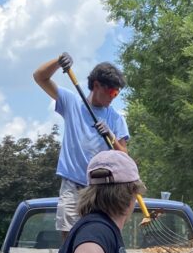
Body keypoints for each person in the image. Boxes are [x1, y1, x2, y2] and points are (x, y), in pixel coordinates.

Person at [34, 53, 129, 240]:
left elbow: (124, 156)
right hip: (72, 184)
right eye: (111, 92)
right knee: (69, 238)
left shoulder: (116, 119)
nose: (113, 98)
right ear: (96, 85)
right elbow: (40, 77)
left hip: (101, 188)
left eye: (117, 94)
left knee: (99, 238)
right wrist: (58, 60)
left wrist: (111, 136)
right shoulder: (72, 103)